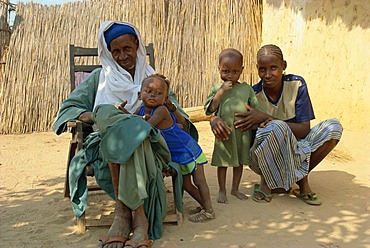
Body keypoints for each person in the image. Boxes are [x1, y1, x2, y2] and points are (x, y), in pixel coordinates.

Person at [53, 21, 198, 248]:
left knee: (134, 133)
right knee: (116, 123)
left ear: (137, 46)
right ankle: (139, 220)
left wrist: (166, 103)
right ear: (109, 52)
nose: (122, 56)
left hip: (148, 143)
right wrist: (98, 115)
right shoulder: (100, 78)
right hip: (109, 140)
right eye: (116, 51)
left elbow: (179, 116)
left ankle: (123, 214)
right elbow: (68, 108)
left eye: (127, 49)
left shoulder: (153, 79)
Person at [210, 44, 343, 205]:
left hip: (298, 146)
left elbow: (304, 130)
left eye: (273, 68)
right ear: (257, 69)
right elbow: (228, 114)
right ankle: (268, 180)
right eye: (262, 69)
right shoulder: (252, 94)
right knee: (275, 127)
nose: (267, 74)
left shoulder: (297, 85)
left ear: (283, 66)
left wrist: (265, 117)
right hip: (263, 158)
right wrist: (213, 119)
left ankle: (300, 178)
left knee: (333, 127)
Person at [135, 74, 215, 222]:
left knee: (199, 182)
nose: (153, 95)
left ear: (165, 99)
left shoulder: (161, 111)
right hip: (178, 155)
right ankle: (204, 205)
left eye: (159, 93)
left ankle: (209, 211)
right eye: (148, 91)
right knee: (187, 185)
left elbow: (146, 127)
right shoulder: (140, 111)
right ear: (140, 95)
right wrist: (123, 113)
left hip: (189, 151)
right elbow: (133, 119)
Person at [204, 48, 260, 204]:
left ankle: (235, 189)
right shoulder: (216, 88)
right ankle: (222, 190)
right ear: (219, 69)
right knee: (223, 163)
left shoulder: (246, 89)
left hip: (242, 132)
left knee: (239, 162)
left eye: (235, 71)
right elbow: (211, 109)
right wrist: (221, 91)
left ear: (242, 70)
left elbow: (256, 108)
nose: (230, 75)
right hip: (225, 132)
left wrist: (255, 118)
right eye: (226, 71)